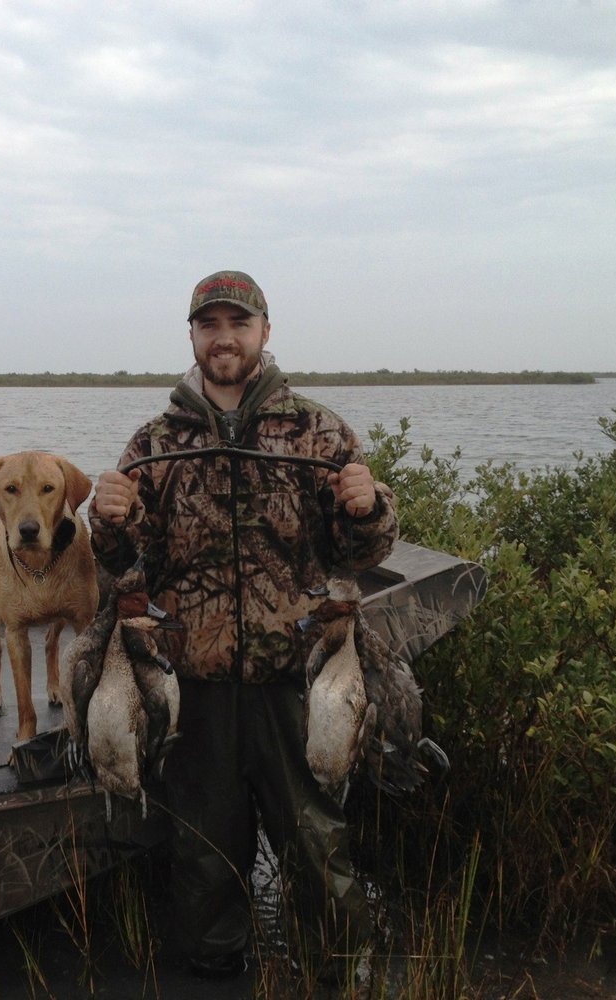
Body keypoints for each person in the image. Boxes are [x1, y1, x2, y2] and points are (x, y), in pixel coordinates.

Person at [87, 270, 398, 981]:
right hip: (192, 684)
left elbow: (359, 556)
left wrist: (365, 508)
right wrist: (107, 520)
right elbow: (128, 567)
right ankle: (213, 970)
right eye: (208, 325)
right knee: (203, 850)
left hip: (297, 676)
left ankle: (338, 972)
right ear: (193, 336)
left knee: (316, 840)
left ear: (264, 331)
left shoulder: (319, 432)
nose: (223, 338)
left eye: (237, 323)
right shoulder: (154, 441)